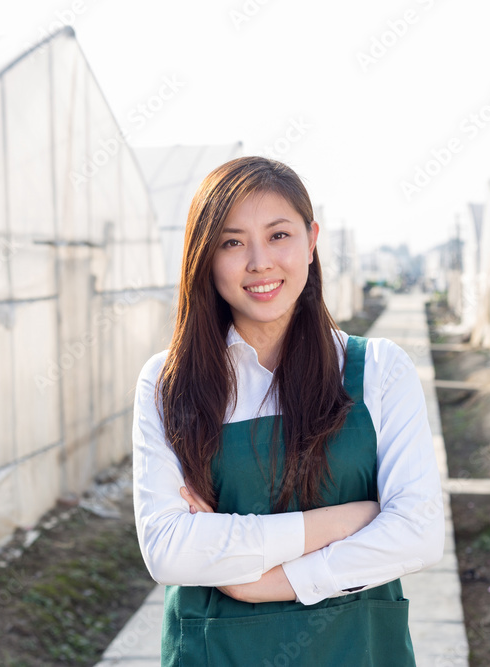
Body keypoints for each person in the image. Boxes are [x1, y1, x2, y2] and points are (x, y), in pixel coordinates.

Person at [132, 156, 444, 666]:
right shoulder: (169, 382)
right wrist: (349, 520)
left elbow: (419, 534)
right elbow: (168, 549)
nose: (259, 262)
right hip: (216, 651)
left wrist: (274, 582)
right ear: (205, 257)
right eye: (232, 242)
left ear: (311, 240)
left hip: (357, 649)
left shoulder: (381, 370)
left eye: (279, 235)